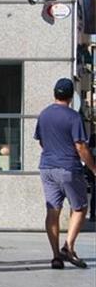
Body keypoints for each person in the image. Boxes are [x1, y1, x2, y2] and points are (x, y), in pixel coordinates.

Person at [34, 78, 95, 269]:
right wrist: (93, 168)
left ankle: (55, 256)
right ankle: (68, 247)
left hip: (47, 167)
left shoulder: (43, 115)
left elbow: (41, 141)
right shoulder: (73, 117)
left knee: (53, 210)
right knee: (80, 207)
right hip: (68, 167)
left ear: (55, 93)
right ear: (70, 96)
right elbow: (80, 146)